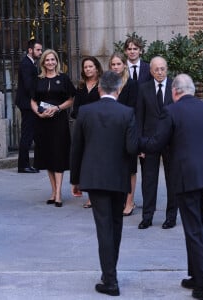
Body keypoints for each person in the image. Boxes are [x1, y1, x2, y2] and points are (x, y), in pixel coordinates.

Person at [139, 74, 203, 300]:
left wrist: (136, 141)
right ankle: (196, 276)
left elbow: (157, 143)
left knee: (193, 230)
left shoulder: (171, 110)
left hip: (187, 179)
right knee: (195, 227)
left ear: (175, 91)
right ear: (193, 90)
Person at [70, 71, 138, 296]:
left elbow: (76, 147)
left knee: (104, 228)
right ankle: (111, 272)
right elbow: (131, 148)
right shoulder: (127, 112)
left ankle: (110, 278)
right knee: (116, 226)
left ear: (100, 89)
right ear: (118, 90)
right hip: (118, 177)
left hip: (95, 177)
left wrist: (76, 179)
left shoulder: (86, 111)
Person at [31, 49, 76, 207]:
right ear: (43, 62)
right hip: (42, 122)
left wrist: (57, 108)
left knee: (58, 154)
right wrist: (38, 113)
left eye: (53, 60)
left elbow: (71, 99)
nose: (50, 62)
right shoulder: (38, 80)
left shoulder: (63, 78)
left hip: (58, 122)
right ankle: (53, 190)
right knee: (47, 155)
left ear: (57, 61)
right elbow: (32, 100)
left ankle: (58, 193)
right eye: (47, 60)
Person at [136, 56, 177, 229]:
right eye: (156, 69)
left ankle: (171, 217)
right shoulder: (143, 89)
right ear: (151, 71)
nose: (160, 72)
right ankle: (147, 216)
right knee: (149, 180)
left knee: (172, 180)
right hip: (149, 142)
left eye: (162, 68)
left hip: (172, 142)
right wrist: (140, 144)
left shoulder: (176, 87)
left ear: (166, 68)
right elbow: (138, 118)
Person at [109, 52, 139, 216]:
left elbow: (134, 108)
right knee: (115, 168)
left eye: (118, 64)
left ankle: (129, 202)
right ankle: (118, 200)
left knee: (130, 169)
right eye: (113, 64)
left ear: (124, 65)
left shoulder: (132, 84)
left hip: (128, 131)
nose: (115, 67)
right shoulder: (108, 83)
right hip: (112, 133)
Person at [71, 56, 103, 208]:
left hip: (99, 129)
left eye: (91, 66)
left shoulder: (102, 85)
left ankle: (99, 194)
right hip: (83, 129)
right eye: (85, 67)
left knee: (98, 163)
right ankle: (91, 196)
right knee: (86, 164)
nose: (88, 69)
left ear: (97, 68)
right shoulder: (81, 86)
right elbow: (76, 108)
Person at [16, 39, 42, 173]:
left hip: (28, 103)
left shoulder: (30, 63)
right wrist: (36, 99)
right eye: (38, 50)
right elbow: (28, 86)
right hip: (27, 104)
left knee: (30, 133)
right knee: (27, 134)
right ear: (30, 50)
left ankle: (28, 164)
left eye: (41, 50)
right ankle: (23, 165)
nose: (40, 52)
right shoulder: (27, 64)